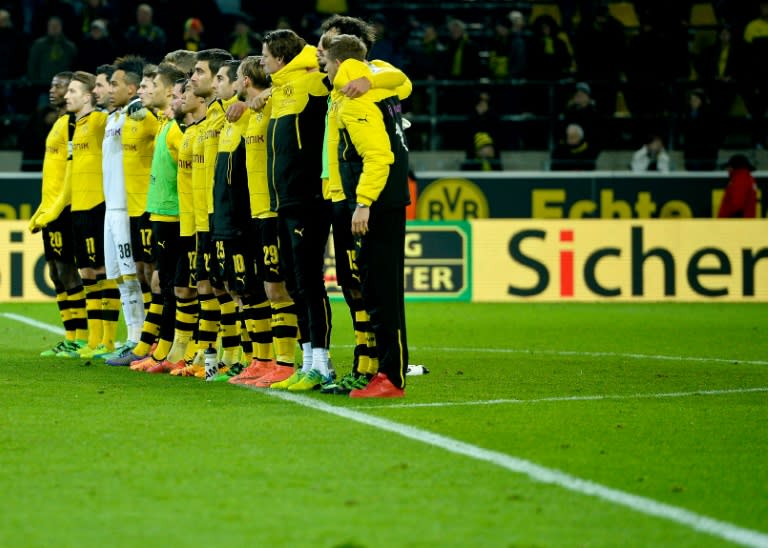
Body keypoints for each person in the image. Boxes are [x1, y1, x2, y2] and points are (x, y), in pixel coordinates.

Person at [325, 34, 410, 398]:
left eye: (325, 63)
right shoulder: (378, 85)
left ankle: (391, 376)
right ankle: (388, 373)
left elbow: (378, 156)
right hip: (387, 201)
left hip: (377, 204)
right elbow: (403, 81)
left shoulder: (355, 100)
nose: (323, 69)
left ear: (340, 64)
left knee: (380, 292)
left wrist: (363, 202)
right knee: (380, 290)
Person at [258, 29, 334, 387]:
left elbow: (370, 75)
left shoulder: (315, 82)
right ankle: (307, 362)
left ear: (280, 58)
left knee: (309, 282)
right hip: (283, 200)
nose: (261, 61)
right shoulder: (281, 90)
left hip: (308, 199)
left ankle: (322, 361)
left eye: (265, 55)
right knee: (293, 281)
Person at [34, 71, 116, 358]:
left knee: (90, 272)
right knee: (68, 272)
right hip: (67, 205)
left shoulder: (94, 122)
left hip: (88, 206)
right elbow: (65, 172)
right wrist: (47, 207)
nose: (61, 93)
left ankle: (92, 339)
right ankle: (84, 339)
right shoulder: (69, 123)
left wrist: (57, 207)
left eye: (68, 89)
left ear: (87, 94)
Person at [29, 71, 88, 358]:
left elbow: (70, 171)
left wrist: (54, 208)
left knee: (68, 270)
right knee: (55, 272)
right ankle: (70, 335)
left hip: (66, 208)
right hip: (52, 208)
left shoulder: (76, 124)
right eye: (52, 84)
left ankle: (81, 338)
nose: (53, 89)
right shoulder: (60, 123)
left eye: (60, 85)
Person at [27, 16, 78, 84]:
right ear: (47, 27)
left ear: (61, 27)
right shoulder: (39, 44)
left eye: (56, 25)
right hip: (42, 84)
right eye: (51, 25)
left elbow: (74, 66)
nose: (54, 28)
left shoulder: (69, 46)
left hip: (64, 84)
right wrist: (35, 81)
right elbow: (32, 65)